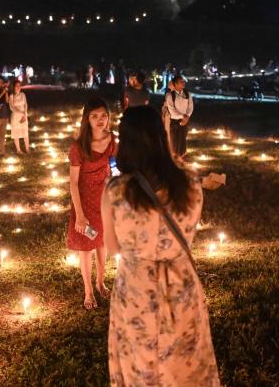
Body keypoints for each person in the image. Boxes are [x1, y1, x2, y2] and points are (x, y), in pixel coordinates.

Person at [102, 106, 220, 386]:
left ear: (125, 142)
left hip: (136, 289)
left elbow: (112, 247)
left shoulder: (115, 190)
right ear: (162, 135)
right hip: (181, 285)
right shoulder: (191, 182)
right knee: (185, 365)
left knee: (140, 366)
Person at [68, 97, 117, 309]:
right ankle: (88, 291)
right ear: (87, 119)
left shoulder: (113, 141)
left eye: (103, 116)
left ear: (108, 118)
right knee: (87, 247)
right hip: (84, 202)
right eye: (94, 116)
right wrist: (79, 214)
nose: (100, 120)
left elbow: (114, 169)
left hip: (104, 199)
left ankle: (100, 282)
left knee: (103, 244)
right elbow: (73, 182)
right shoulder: (79, 147)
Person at [164, 75, 194, 159]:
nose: (183, 83)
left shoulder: (188, 94)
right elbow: (172, 111)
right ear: (175, 84)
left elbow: (190, 107)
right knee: (174, 141)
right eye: (181, 82)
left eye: (183, 82)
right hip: (174, 122)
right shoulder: (170, 96)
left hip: (185, 121)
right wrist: (182, 116)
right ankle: (175, 159)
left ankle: (183, 158)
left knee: (183, 140)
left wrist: (187, 117)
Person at [8, 80, 30, 153]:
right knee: (16, 133)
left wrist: (25, 114)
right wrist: (21, 112)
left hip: (23, 116)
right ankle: (18, 150)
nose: (18, 87)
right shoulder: (11, 96)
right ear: (13, 87)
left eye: (19, 86)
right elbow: (11, 107)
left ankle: (27, 148)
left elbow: (25, 104)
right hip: (16, 117)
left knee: (25, 132)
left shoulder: (23, 94)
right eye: (17, 86)